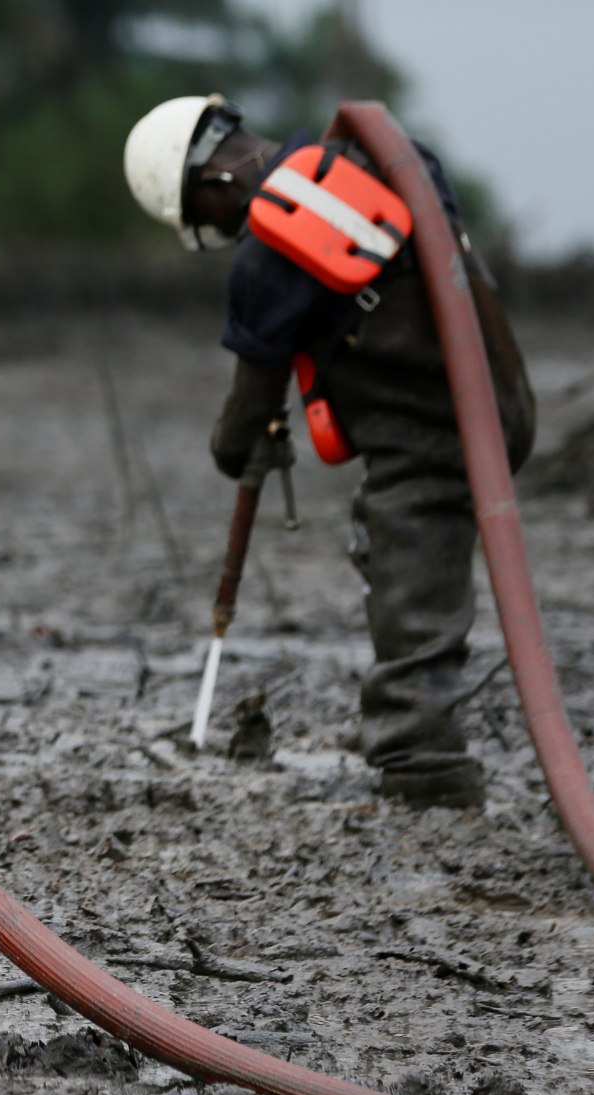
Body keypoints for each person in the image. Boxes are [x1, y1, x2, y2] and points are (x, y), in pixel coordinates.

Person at [122, 95, 537, 810]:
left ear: (215, 184)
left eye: (210, 224)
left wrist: (233, 448)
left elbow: (248, 410)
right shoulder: (380, 158)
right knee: (389, 551)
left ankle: (424, 763)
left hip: (425, 437)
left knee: (412, 576)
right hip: (501, 398)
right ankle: (418, 747)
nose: (224, 236)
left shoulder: (269, 251)